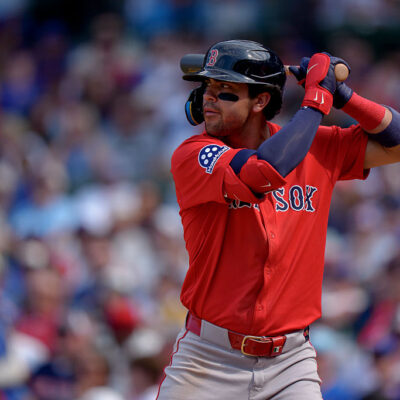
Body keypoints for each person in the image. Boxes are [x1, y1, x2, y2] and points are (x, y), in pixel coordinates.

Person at [156, 40, 400, 399]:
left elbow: (396, 142)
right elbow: (266, 169)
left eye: (225, 91)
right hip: (209, 360)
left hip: (290, 363)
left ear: (260, 101)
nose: (209, 98)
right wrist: (318, 99)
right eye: (207, 87)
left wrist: (342, 94)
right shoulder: (194, 154)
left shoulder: (318, 146)